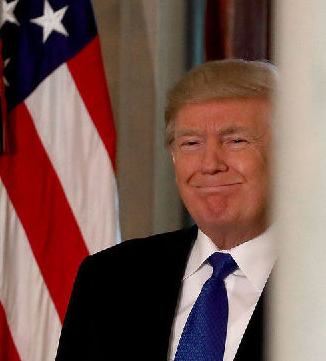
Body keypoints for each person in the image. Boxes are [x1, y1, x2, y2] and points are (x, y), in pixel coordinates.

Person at [56, 59, 277, 361]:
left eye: (235, 141)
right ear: (174, 158)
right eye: (191, 143)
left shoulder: (315, 280)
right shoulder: (109, 279)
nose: (210, 164)